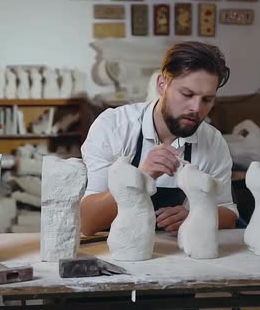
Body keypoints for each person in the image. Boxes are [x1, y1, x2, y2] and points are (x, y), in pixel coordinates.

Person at [80, 41, 238, 236]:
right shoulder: (114, 127)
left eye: (207, 99)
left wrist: (196, 214)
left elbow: (229, 214)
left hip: (175, 253)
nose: (196, 108)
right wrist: (140, 178)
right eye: (187, 94)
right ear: (162, 85)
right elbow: (87, 221)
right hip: (114, 250)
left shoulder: (212, 141)